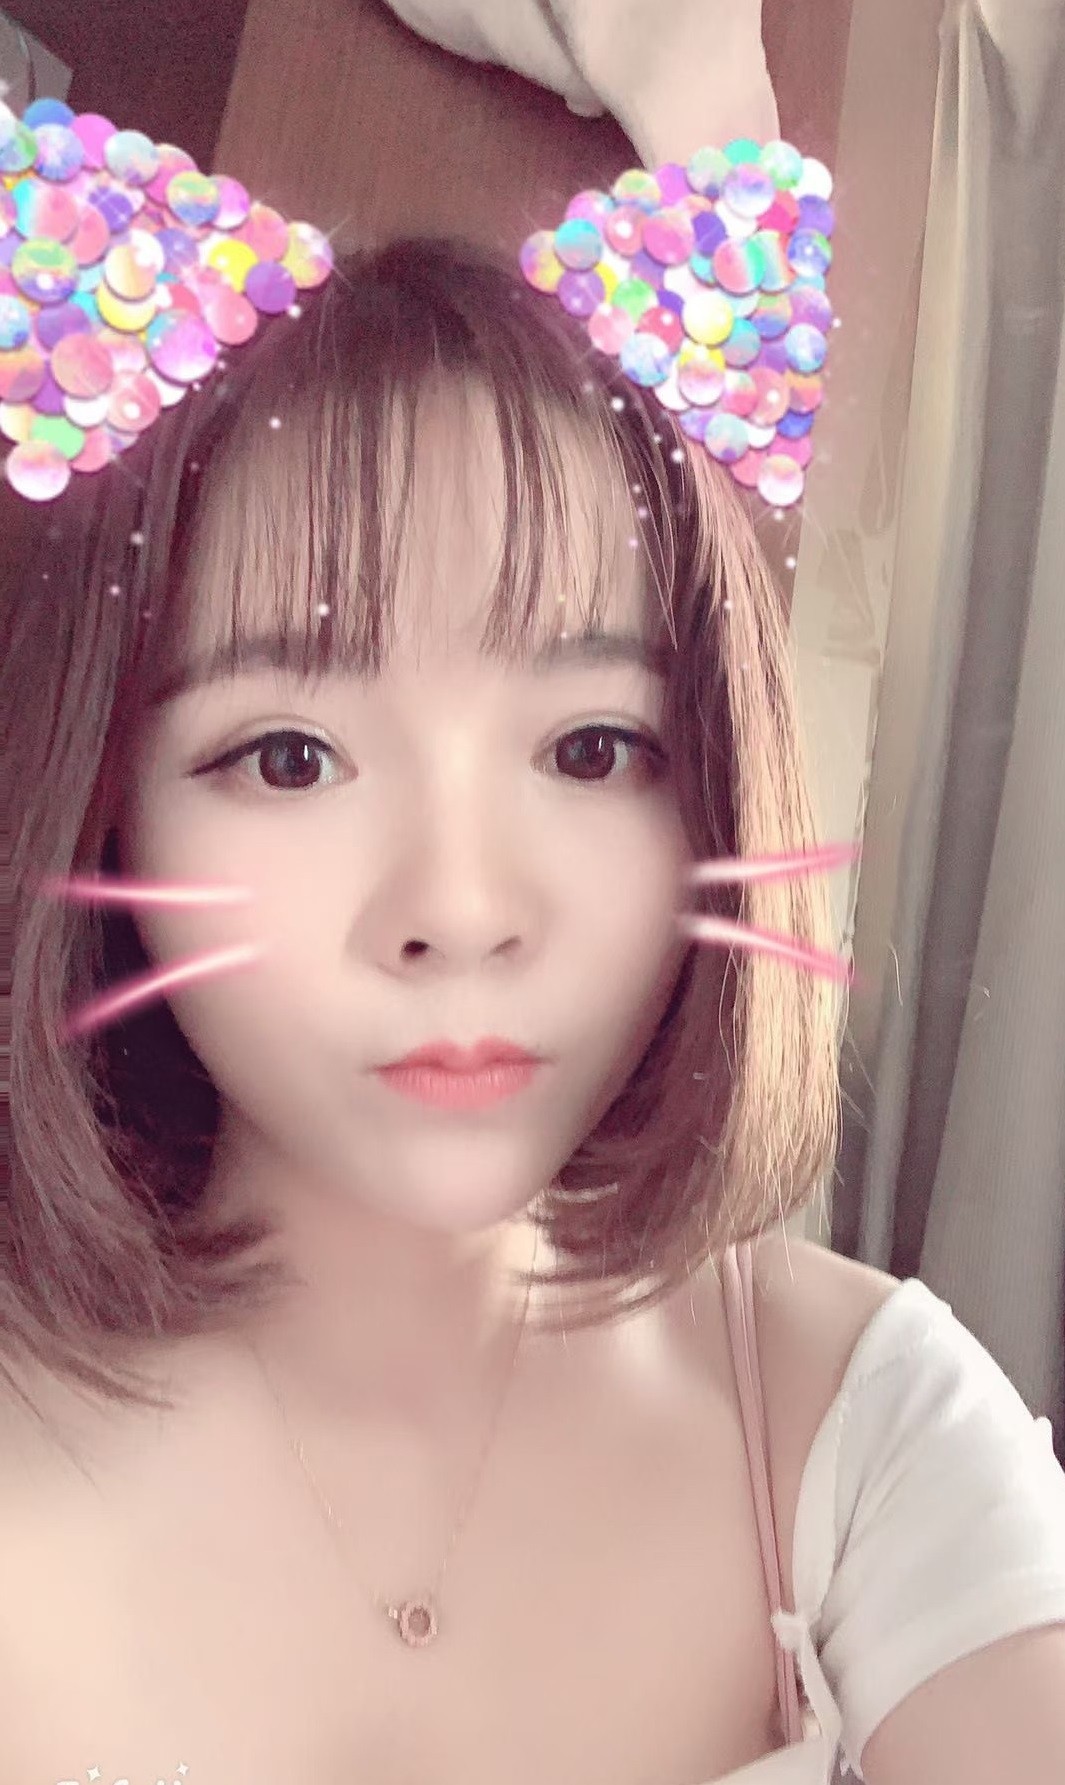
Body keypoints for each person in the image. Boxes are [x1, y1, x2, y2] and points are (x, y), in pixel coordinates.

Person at [4, 153, 1065, 1785]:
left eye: (588, 748)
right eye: (287, 756)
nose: (462, 908)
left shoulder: (853, 1419)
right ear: (104, 801)